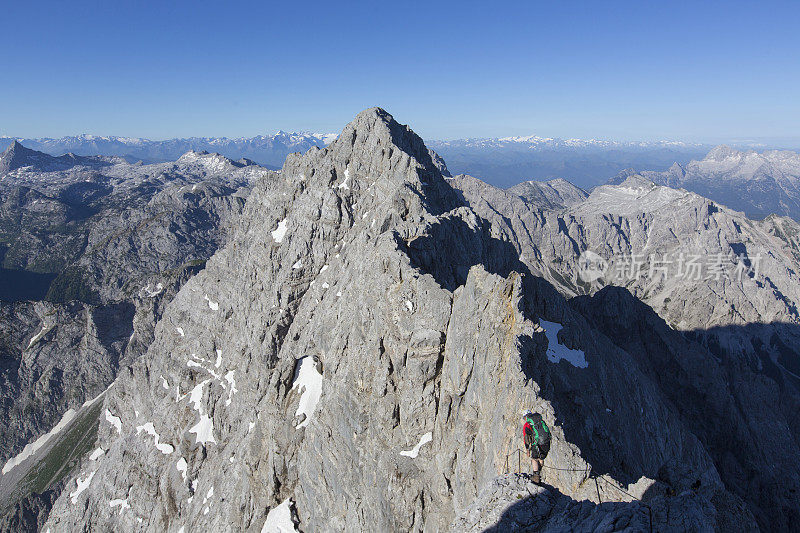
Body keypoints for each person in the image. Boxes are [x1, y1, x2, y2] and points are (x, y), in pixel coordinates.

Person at [522, 411, 551, 483]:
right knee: (541, 458)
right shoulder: (540, 421)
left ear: (525, 417)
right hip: (547, 442)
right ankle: (539, 473)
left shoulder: (528, 425)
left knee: (534, 459)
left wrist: (527, 449)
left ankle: (536, 477)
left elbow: (526, 438)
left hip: (537, 444)